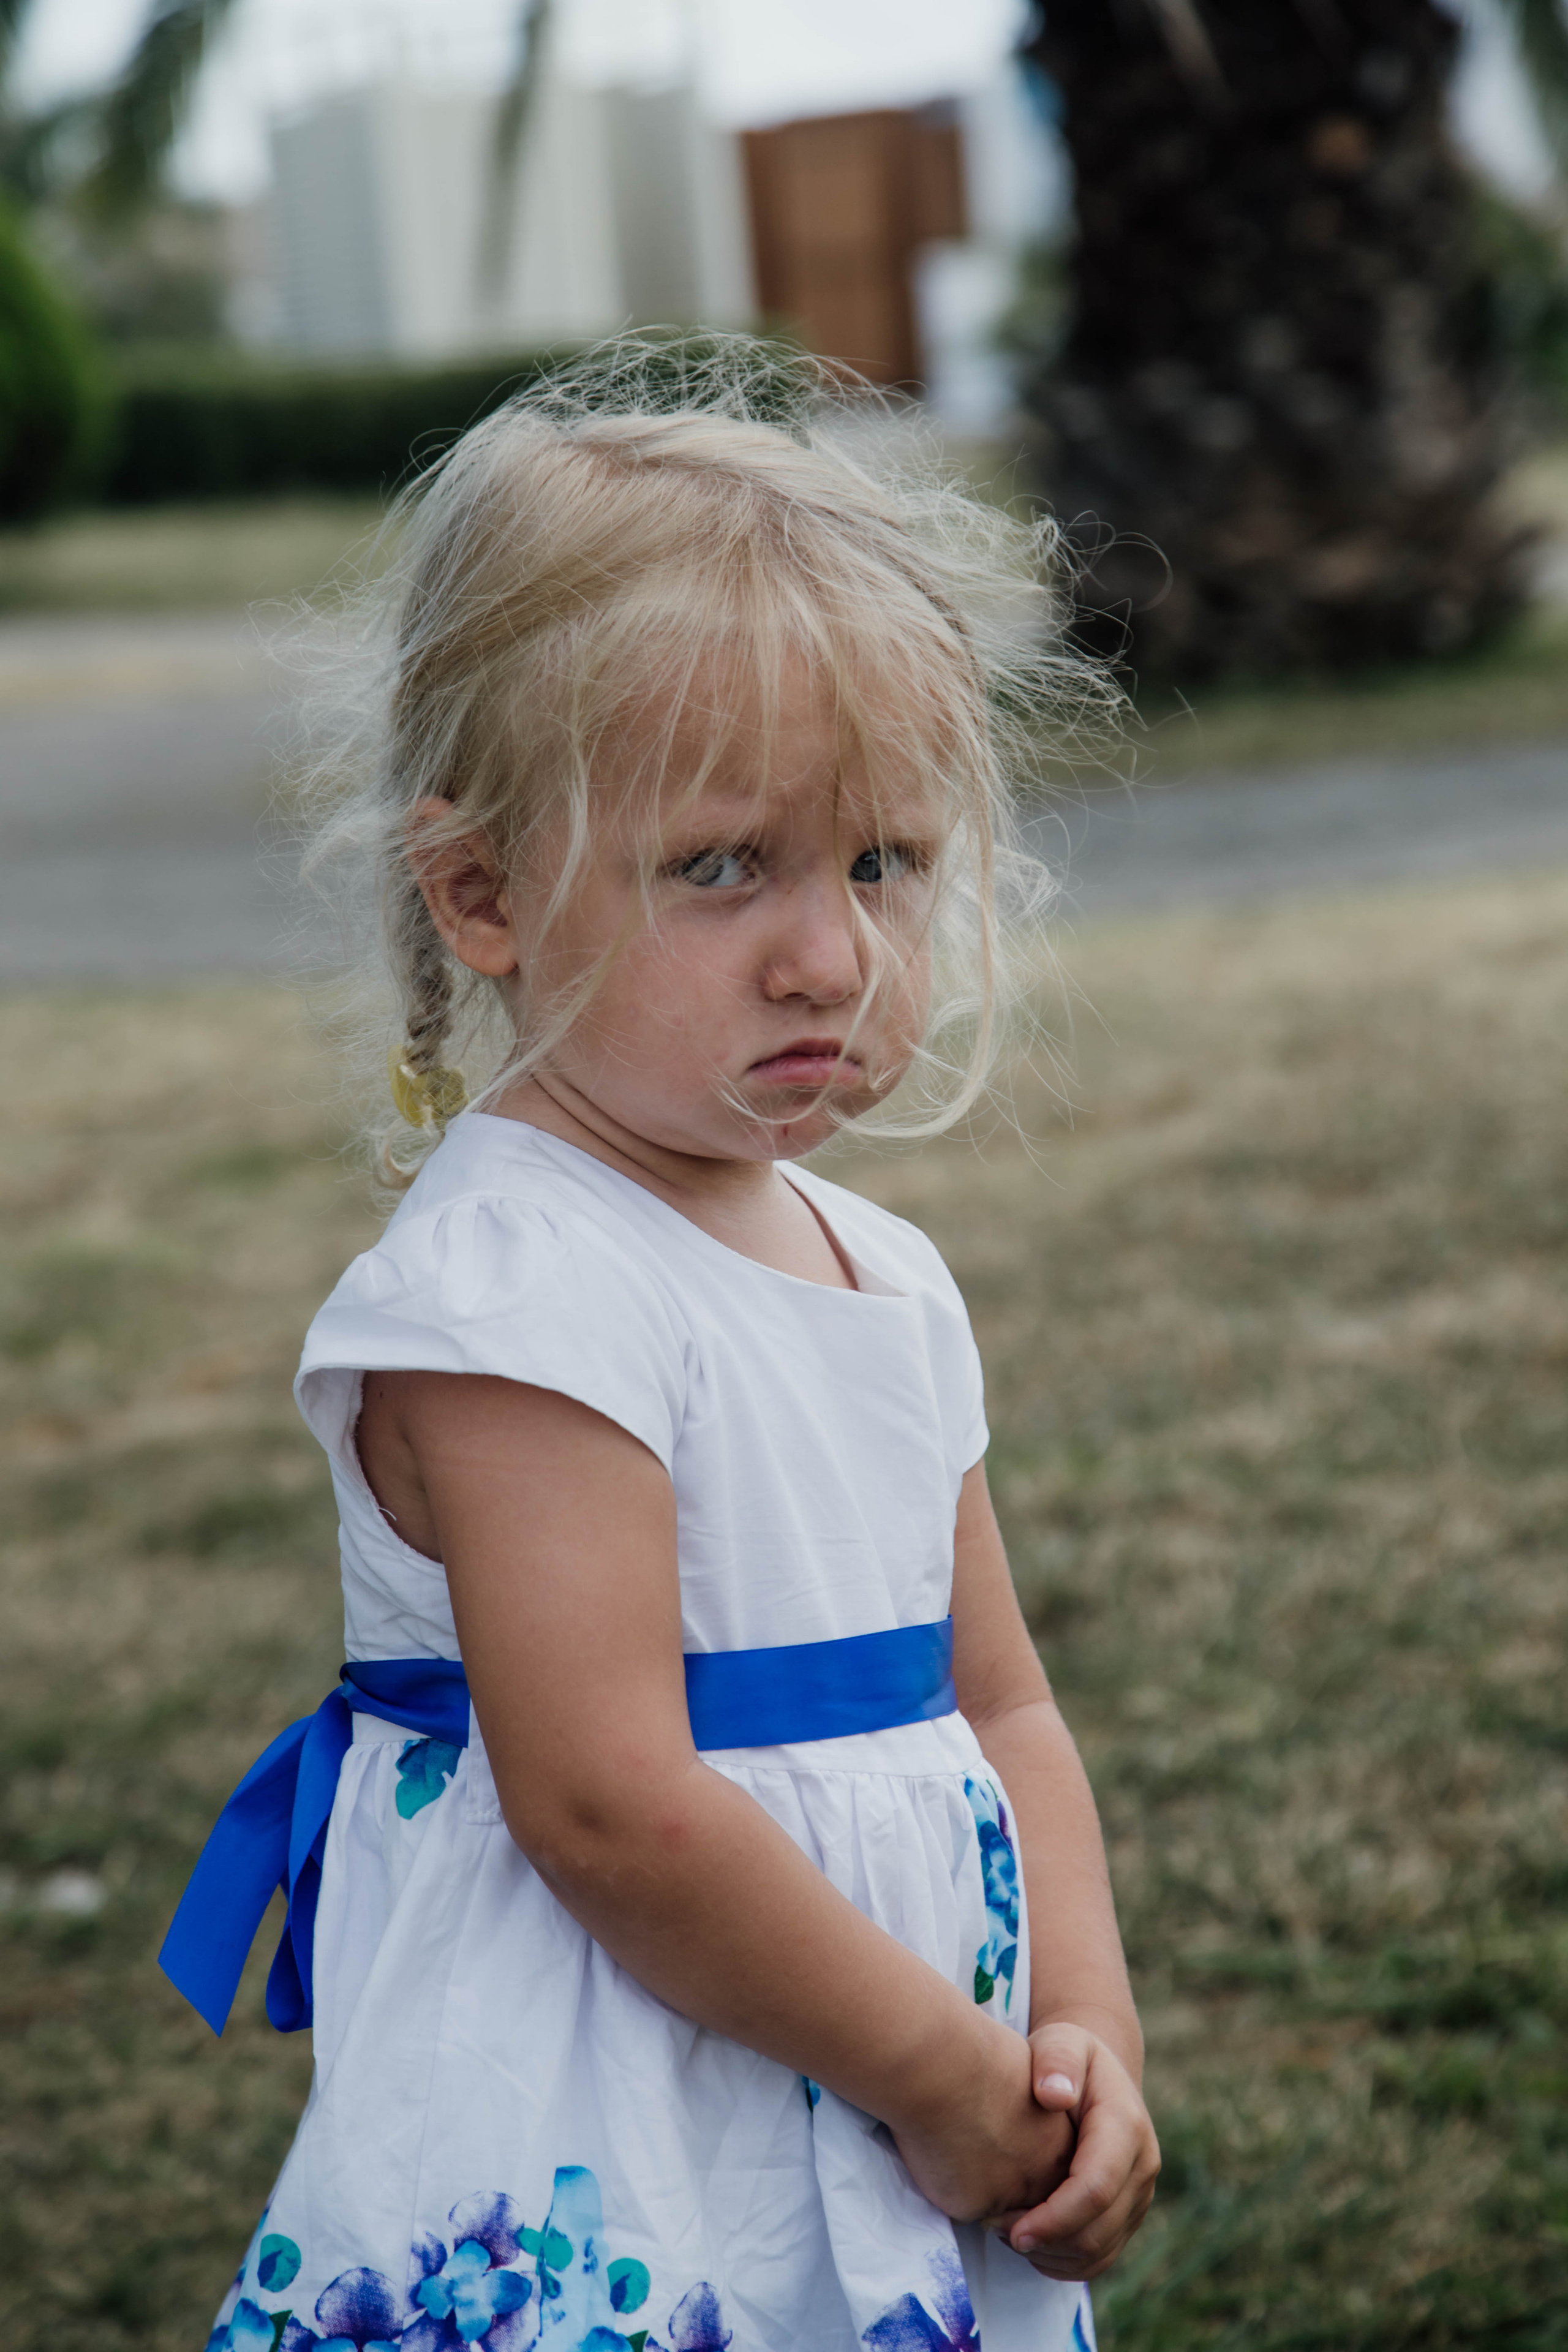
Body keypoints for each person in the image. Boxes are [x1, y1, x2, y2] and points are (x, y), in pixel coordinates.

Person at [165, 341, 1158, 2352]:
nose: (835, 952)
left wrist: (1073, 2038)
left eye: (885, 860)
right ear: (483, 893)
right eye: (726, 866)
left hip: (906, 2103)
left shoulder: (886, 1272)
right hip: (616, 2140)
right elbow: (610, 1801)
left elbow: (1008, 1711)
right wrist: (943, 2084)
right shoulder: (520, 1293)